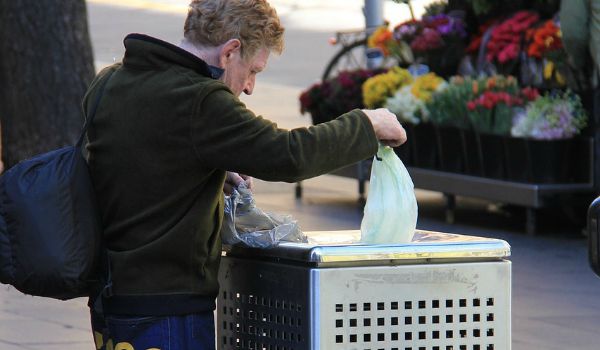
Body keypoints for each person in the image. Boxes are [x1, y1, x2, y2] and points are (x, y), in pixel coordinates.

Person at [84, 0, 406, 349]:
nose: (250, 87)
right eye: (253, 70)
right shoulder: (201, 100)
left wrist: (204, 168)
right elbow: (287, 155)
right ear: (230, 52)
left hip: (111, 299)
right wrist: (365, 124)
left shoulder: (113, 81)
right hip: (168, 310)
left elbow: (134, 158)